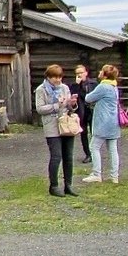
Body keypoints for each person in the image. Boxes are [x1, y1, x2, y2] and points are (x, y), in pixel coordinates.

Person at [35, 63, 78, 197]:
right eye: (55, 77)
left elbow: (69, 107)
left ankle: (68, 185)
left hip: (66, 124)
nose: (58, 80)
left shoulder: (64, 88)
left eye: (60, 77)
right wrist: (56, 105)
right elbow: (40, 109)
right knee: (56, 156)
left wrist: (72, 104)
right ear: (48, 77)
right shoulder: (41, 90)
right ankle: (54, 186)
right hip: (52, 126)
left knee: (68, 157)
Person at [83, 65, 123, 184]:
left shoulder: (103, 86)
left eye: (102, 71)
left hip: (103, 122)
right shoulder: (113, 86)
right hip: (113, 122)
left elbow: (88, 98)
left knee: (94, 147)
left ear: (105, 75)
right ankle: (114, 176)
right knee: (112, 149)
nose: (99, 72)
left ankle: (96, 173)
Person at [70, 65, 98, 163]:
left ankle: (95, 153)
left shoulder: (93, 83)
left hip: (92, 110)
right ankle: (88, 154)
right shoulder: (74, 85)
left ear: (86, 73)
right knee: (84, 133)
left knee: (94, 133)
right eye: (77, 73)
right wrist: (77, 85)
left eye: (81, 72)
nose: (79, 75)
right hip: (81, 112)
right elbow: (72, 97)